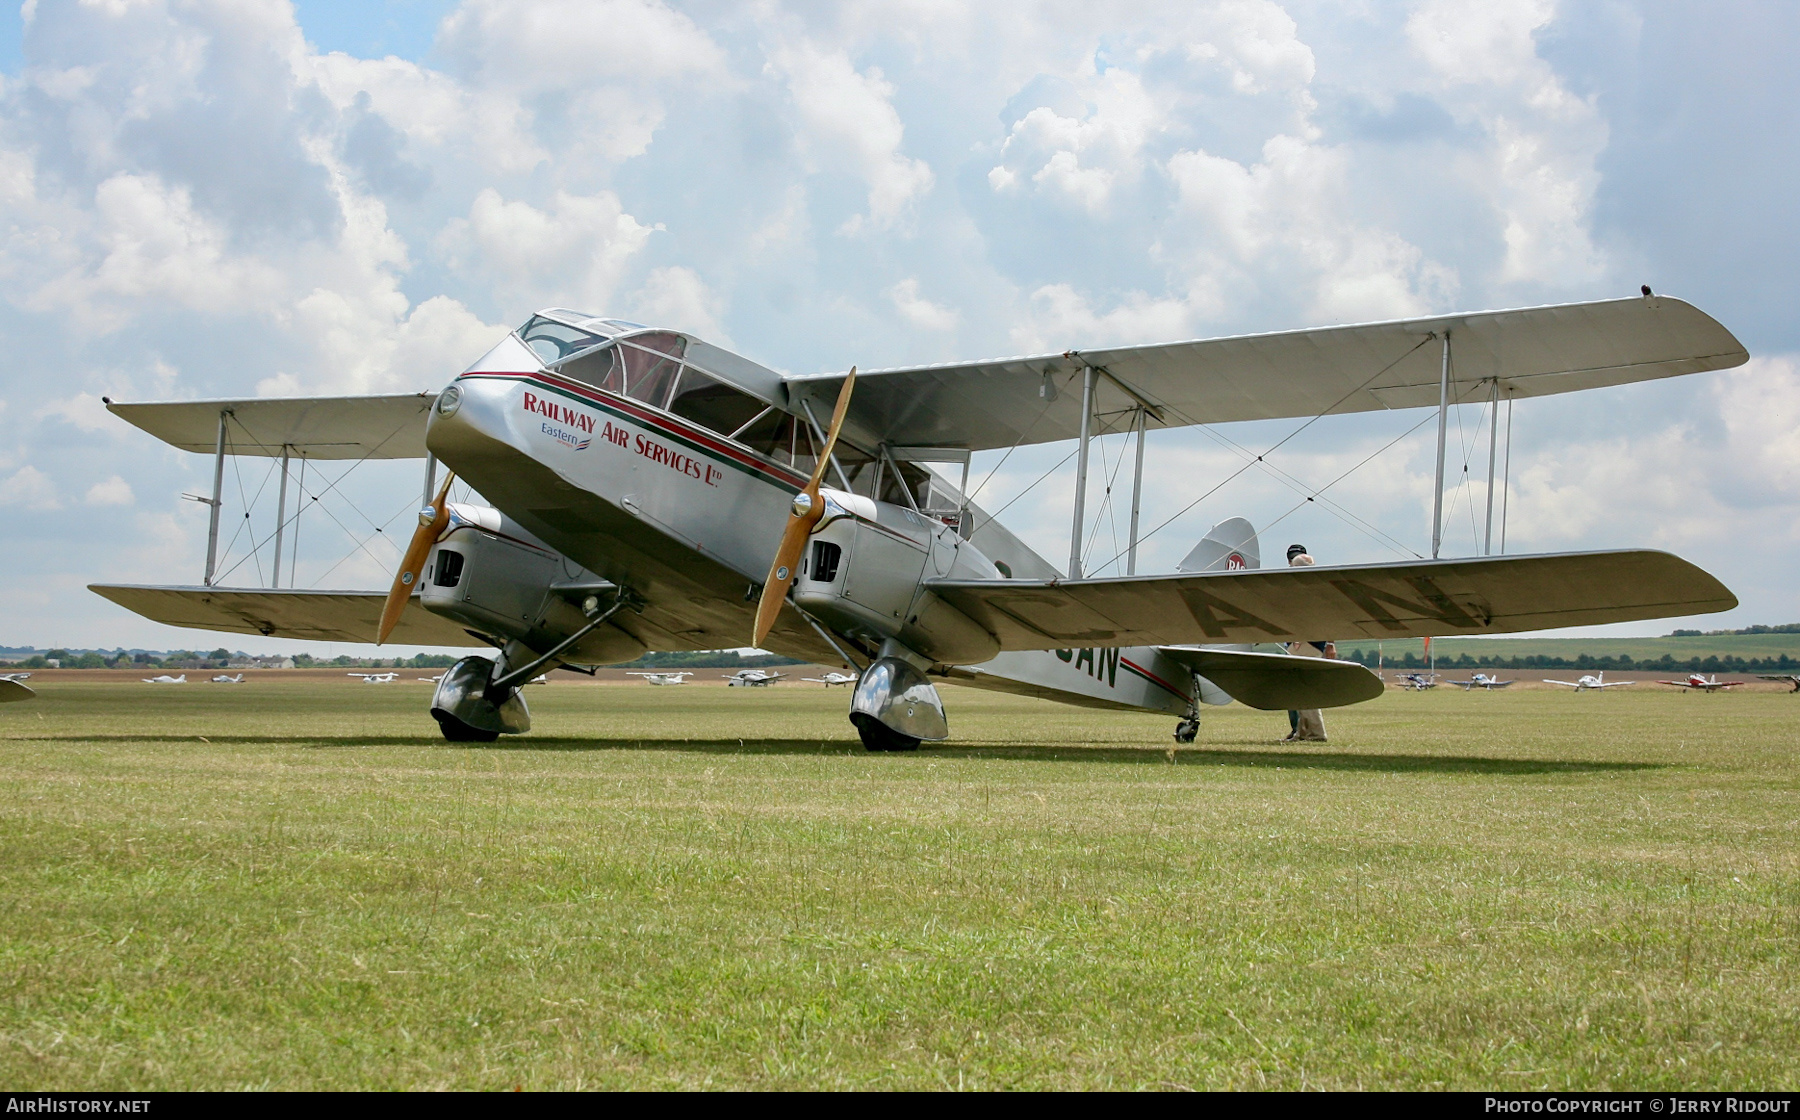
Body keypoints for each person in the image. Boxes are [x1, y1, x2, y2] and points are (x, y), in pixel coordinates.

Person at [1283, 544, 1333, 742]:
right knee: (1299, 690)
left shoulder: (1303, 591)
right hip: (1310, 643)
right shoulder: (1318, 588)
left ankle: (1316, 733)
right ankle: (1302, 732)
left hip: (1306, 644)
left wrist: (1297, 640)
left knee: (1304, 690)